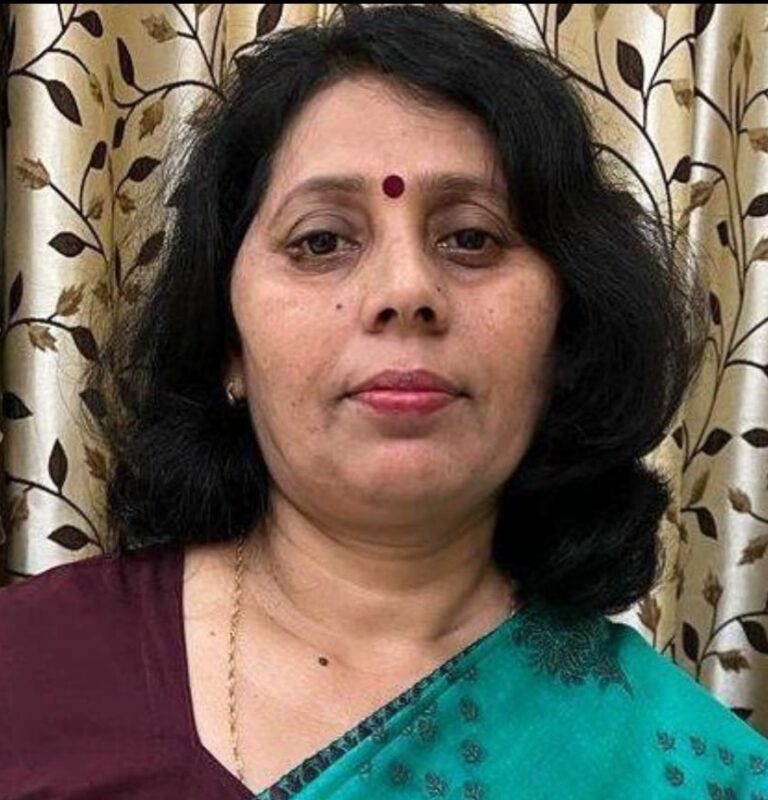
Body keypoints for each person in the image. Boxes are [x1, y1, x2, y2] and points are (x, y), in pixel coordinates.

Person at [1, 4, 765, 799]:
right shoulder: (26, 677)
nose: (406, 290)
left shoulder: (686, 772)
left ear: (565, 336)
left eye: (471, 238)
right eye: (321, 240)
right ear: (227, 342)